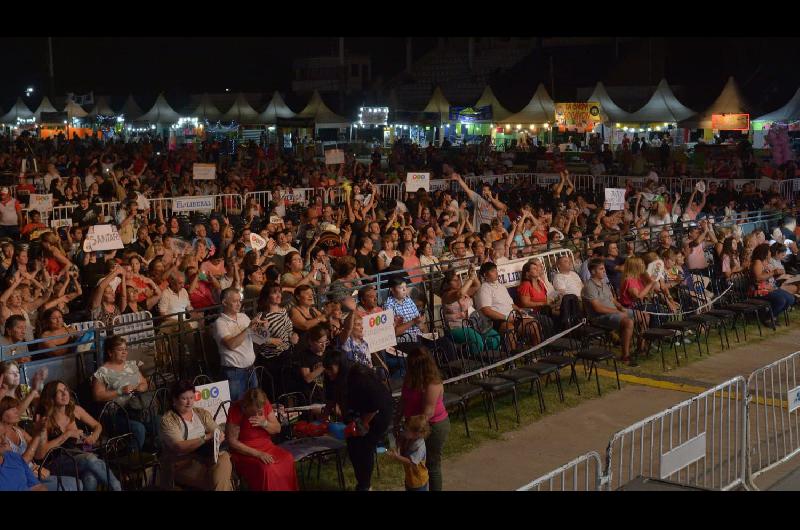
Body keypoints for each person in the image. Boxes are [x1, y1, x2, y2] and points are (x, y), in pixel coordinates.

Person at [322, 349, 392, 491]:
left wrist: (363, 424)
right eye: (326, 369)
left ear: (340, 365)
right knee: (353, 446)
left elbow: (375, 404)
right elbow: (331, 397)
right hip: (357, 412)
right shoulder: (331, 377)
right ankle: (362, 483)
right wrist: (326, 415)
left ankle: (364, 486)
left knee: (364, 447)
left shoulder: (359, 375)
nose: (328, 372)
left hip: (377, 413)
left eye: (330, 369)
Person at [35, 380, 122, 491]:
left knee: (90, 478)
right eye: (59, 391)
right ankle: (117, 488)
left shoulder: (76, 410)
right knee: (89, 459)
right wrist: (67, 434)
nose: (64, 393)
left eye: (65, 390)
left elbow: (97, 425)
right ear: (51, 397)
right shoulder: (46, 420)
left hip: (77, 455)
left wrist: (93, 436)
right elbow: (41, 454)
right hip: (55, 462)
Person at [158, 379, 233, 491]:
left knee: (224, 458)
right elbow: (179, 446)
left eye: (192, 398)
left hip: (207, 456)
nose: (189, 402)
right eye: (184, 399)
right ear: (174, 400)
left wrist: (218, 438)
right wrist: (205, 438)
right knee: (219, 479)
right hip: (183, 462)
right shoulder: (168, 420)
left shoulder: (201, 413)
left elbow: (217, 432)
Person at [395, 345, 449, 491]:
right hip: (412, 426)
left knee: (431, 464)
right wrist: (397, 421)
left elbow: (427, 414)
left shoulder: (432, 383)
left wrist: (411, 434)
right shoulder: (410, 377)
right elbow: (403, 399)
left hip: (431, 426)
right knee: (413, 466)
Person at [225, 388, 298, 491]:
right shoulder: (236, 409)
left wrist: (265, 423)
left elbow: (277, 429)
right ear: (245, 407)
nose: (256, 415)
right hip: (245, 452)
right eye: (252, 412)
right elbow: (232, 442)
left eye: (259, 412)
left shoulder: (264, 404)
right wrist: (258, 454)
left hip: (267, 446)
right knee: (267, 468)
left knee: (288, 458)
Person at [0, 397, 81, 490]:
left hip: (35, 471)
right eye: (11, 409)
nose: (17, 411)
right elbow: (20, 462)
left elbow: (39, 452)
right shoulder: (2, 439)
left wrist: (42, 428)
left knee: (81, 482)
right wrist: (38, 434)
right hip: (21, 476)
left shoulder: (18, 430)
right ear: (1, 413)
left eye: (16, 408)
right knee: (73, 485)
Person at [91, 335, 150, 450]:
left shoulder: (132, 365)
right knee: (138, 429)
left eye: (125, 349)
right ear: (110, 352)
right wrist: (120, 391)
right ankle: (132, 461)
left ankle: (154, 455)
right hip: (115, 414)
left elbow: (144, 383)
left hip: (136, 408)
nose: (124, 352)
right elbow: (97, 396)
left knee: (156, 422)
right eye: (120, 349)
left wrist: (141, 388)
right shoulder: (102, 372)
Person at [212, 288, 265, 401]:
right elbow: (231, 345)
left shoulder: (243, 317)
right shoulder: (220, 323)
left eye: (239, 301)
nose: (238, 304)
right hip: (234, 373)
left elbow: (260, 339)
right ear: (224, 302)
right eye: (235, 301)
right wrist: (248, 328)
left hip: (251, 369)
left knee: (254, 404)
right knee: (237, 406)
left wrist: (264, 328)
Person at [582, 258, 635, 363]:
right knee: (628, 321)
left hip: (613, 312)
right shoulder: (589, 287)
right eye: (601, 269)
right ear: (593, 271)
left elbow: (612, 300)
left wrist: (621, 307)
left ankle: (640, 346)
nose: (604, 271)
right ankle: (625, 355)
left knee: (641, 315)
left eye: (604, 268)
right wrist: (617, 311)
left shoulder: (604, 284)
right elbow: (598, 308)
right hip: (600, 317)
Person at [440, 268, 500, 354]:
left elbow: (477, 286)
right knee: (477, 340)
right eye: (455, 280)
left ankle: (491, 358)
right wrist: (470, 279)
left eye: (458, 279)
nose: (458, 282)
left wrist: (472, 274)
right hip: (457, 327)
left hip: (474, 323)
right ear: (447, 283)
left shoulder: (463, 291)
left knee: (495, 336)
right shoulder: (447, 295)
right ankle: (476, 362)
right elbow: (459, 294)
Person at [387, 413, 431, 491]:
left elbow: (410, 461)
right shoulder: (409, 438)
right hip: (410, 480)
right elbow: (401, 439)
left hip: (419, 482)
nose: (404, 431)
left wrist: (397, 456)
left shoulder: (419, 447)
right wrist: (398, 442)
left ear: (416, 433)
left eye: (406, 430)